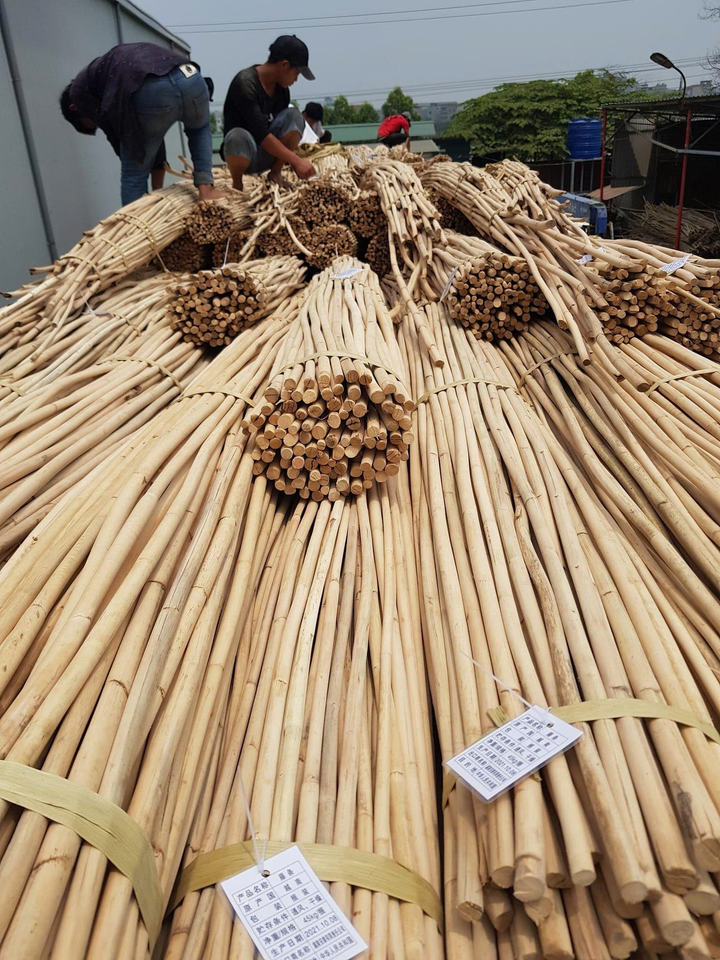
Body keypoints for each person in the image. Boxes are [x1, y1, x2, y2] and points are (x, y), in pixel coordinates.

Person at [60, 43, 222, 207]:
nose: (97, 124)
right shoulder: (103, 73)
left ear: (74, 108)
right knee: (199, 130)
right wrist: (157, 188)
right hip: (190, 76)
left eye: (92, 124)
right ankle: (206, 190)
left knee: (133, 174)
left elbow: (124, 139)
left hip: (151, 88)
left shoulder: (78, 93)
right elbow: (153, 138)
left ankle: (135, 220)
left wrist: (134, 162)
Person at [222, 36, 317, 190]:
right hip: (243, 153)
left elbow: (278, 132)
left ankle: (275, 172)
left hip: (267, 155)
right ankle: (237, 184)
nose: (296, 80)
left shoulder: (282, 90)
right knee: (237, 136)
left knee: (294, 116)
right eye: (297, 73)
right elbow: (261, 134)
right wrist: (296, 160)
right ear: (284, 65)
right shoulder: (245, 83)